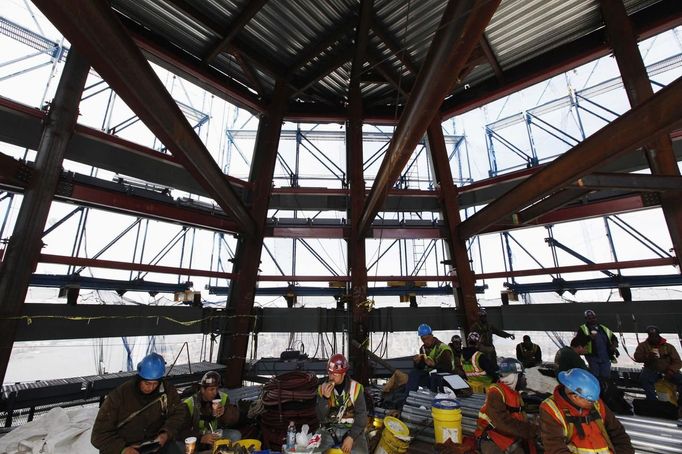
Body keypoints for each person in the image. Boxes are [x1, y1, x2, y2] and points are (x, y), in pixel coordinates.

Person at [91, 353, 186, 454]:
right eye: (147, 383)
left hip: (154, 444)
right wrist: (123, 449)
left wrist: (165, 433)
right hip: (125, 446)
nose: (150, 387)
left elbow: (178, 413)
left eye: (155, 384)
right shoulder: (119, 396)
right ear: (140, 378)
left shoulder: (167, 391)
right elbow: (98, 435)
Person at [540, 368, 633, 454]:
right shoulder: (550, 409)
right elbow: (555, 449)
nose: (594, 403)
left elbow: (619, 434)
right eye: (590, 400)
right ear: (575, 396)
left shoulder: (596, 404)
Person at [474, 358, 538, 454]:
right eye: (521, 375)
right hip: (491, 437)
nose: (524, 379)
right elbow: (502, 422)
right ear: (513, 376)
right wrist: (531, 430)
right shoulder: (496, 392)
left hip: (507, 435)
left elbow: (518, 414)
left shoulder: (514, 393)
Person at [316, 354, 369, 454]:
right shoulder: (322, 389)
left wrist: (351, 437)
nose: (331, 377)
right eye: (330, 373)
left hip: (352, 429)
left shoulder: (356, 388)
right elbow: (320, 416)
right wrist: (325, 398)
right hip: (329, 429)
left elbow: (362, 415)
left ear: (343, 373)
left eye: (335, 374)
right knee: (311, 450)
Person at [179, 371, 241, 450]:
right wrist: (201, 438)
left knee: (235, 435)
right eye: (211, 389)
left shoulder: (223, 398)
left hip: (215, 434)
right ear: (202, 390)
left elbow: (231, 422)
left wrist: (225, 413)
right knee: (180, 446)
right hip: (196, 436)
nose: (215, 392)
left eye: (217, 389)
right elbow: (181, 432)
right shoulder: (189, 404)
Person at [633, 325, 682, 403]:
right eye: (651, 336)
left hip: (668, 370)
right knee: (644, 379)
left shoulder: (669, 347)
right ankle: (653, 402)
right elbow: (637, 357)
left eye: (655, 336)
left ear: (658, 335)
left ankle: (680, 403)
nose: (653, 338)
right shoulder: (643, 346)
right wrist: (647, 357)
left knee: (680, 380)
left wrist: (671, 370)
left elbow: (678, 362)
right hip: (651, 370)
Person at [406, 323, 454, 392]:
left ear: (431, 335)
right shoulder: (423, 348)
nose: (425, 341)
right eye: (423, 339)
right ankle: (408, 396)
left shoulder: (443, 349)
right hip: (431, 377)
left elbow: (448, 368)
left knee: (432, 377)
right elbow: (421, 367)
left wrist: (434, 365)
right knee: (414, 373)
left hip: (446, 378)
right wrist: (417, 362)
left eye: (427, 338)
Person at [577, 310, 619, 382]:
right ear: (586, 319)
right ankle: (597, 392)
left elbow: (613, 338)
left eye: (593, 317)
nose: (592, 319)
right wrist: (589, 337)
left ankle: (605, 390)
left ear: (596, 318)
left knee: (606, 377)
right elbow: (578, 342)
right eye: (589, 318)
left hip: (605, 357)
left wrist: (614, 346)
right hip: (593, 358)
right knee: (595, 377)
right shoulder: (583, 329)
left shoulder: (603, 328)